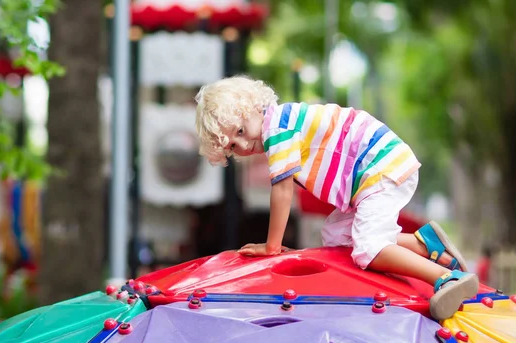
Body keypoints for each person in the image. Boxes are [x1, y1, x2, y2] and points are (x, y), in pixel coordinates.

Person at [194, 76, 478, 320]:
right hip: (370, 173)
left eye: (241, 131)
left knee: (368, 247)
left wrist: (272, 247)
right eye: (232, 146)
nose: (243, 145)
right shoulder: (283, 124)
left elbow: (282, 191)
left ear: (253, 107)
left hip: (379, 167)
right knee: (337, 238)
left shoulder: (277, 130)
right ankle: (425, 244)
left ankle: (446, 278)